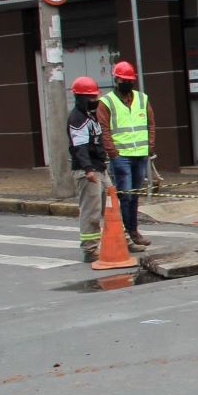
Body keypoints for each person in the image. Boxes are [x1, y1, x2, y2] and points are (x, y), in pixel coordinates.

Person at [96, 61, 154, 251]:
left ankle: (133, 231)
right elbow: (104, 128)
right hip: (121, 156)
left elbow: (151, 124)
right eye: (123, 80)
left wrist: (149, 146)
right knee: (126, 195)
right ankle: (126, 234)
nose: (126, 83)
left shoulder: (142, 99)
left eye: (129, 80)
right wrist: (112, 151)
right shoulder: (107, 102)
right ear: (116, 79)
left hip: (140, 155)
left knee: (134, 195)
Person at [68, 76, 110, 262]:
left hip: (100, 167)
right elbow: (79, 147)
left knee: (111, 206)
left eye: (95, 97)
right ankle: (90, 249)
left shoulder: (91, 115)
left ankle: (118, 240)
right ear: (80, 98)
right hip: (88, 171)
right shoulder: (77, 118)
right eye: (90, 98)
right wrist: (88, 169)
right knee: (91, 211)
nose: (94, 101)